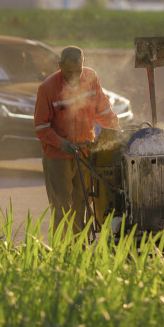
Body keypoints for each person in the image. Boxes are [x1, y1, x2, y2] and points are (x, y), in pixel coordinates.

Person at [34, 46, 120, 233]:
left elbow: (104, 111)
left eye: (78, 71)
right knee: (61, 205)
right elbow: (41, 127)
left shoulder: (91, 79)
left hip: (83, 153)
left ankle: (78, 246)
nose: (74, 75)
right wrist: (61, 143)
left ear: (83, 63)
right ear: (60, 65)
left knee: (81, 202)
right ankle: (62, 249)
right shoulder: (47, 88)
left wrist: (119, 133)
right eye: (69, 72)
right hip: (57, 157)